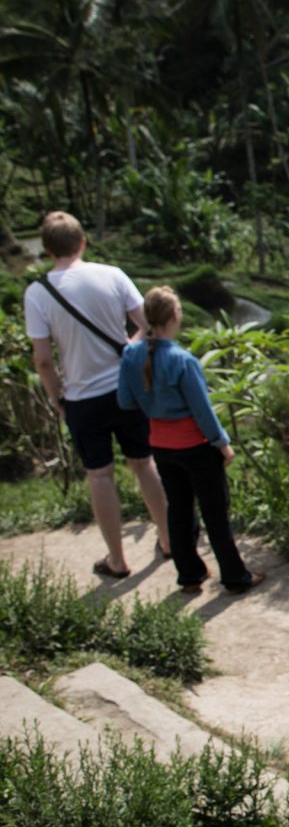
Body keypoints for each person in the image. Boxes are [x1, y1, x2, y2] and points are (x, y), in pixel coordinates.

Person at [24, 211, 170, 578]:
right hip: (125, 388)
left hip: (82, 398)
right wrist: (127, 349)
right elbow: (148, 326)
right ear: (82, 242)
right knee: (144, 463)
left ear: (46, 249)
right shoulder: (111, 275)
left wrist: (58, 398)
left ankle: (118, 560)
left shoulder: (37, 293)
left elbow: (42, 361)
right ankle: (169, 540)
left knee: (100, 476)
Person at [115, 288, 260, 595]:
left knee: (178, 511)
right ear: (175, 316)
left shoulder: (131, 355)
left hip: (161, 446)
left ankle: (189, 577)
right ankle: (235, 577)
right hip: (196, 447)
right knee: (214, 513)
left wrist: (154, 405)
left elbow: (125, 401)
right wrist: (222, 443)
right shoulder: (183, 361)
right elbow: (202, 412)